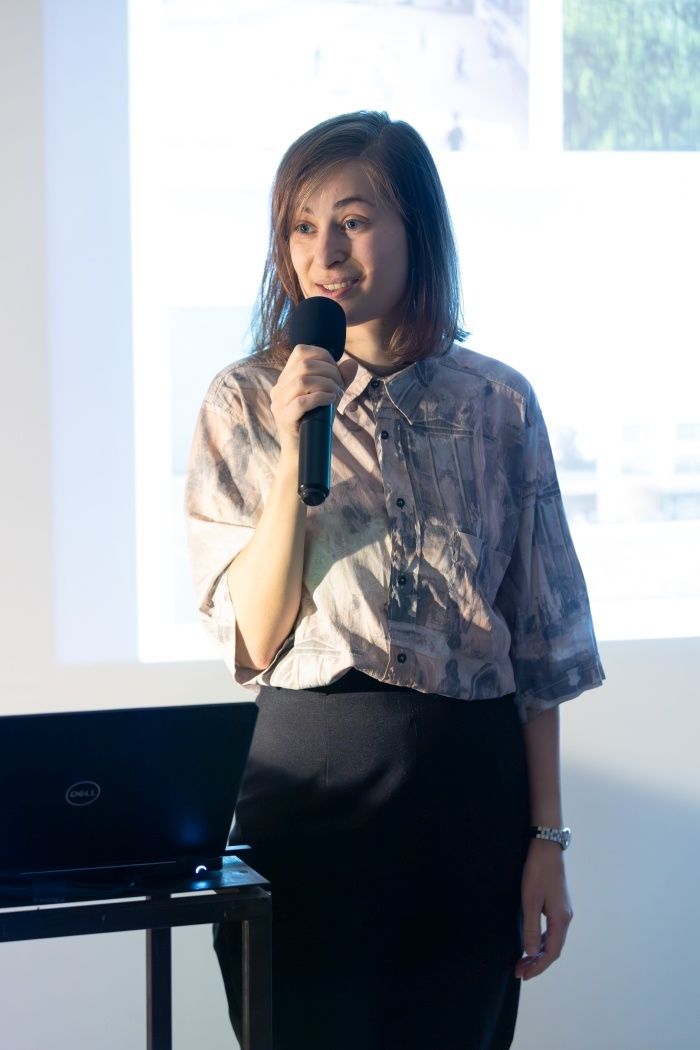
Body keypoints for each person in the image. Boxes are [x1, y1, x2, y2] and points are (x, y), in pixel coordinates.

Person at [185, 111, 604, 1050]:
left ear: (417, 228)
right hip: (311, 796)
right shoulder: (244, 399)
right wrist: (295, 449)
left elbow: (540, 648)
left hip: (471, 802)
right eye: (302, 226)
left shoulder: (500, 403)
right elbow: (254, 637)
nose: (325, 253)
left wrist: (548, 840)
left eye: (353, 220)